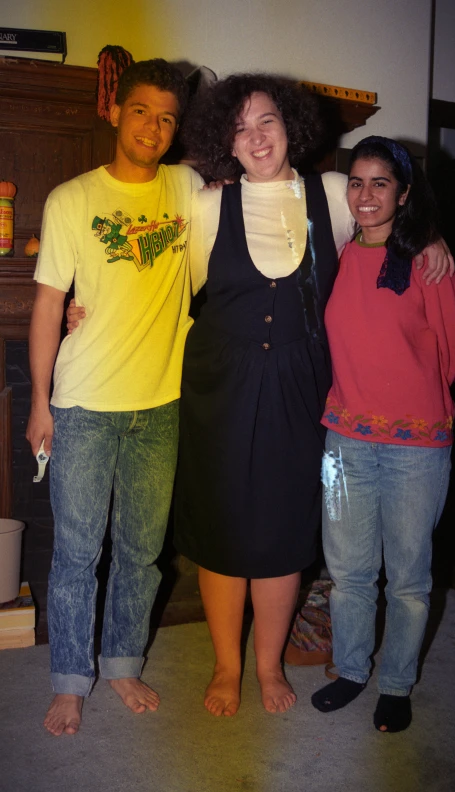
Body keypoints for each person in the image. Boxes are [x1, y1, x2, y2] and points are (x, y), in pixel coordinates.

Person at [171, 75, 454, 718]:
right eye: (240, 127)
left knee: (280, 532)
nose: (255, 136)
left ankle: (268, 667)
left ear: (289, 126)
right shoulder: (209, 204)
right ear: (226, 140)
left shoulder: (330, 193)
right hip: (222, 386)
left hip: (303, 388)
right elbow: (170, 290)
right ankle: (225, 665)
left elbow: (392, 218)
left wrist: (431, 238)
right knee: (222, 533)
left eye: (266, 120)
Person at [25, 58, 203, 737]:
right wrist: (39, 402)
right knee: (76, 551)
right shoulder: (72, 199)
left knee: (141, 552)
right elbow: (47, 308)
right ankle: (71, 680)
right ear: (115, 112)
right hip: (82, 403)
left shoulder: (188, 188)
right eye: (141, 112)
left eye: (166, 117)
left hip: (160, 405)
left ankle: (123, 663)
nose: (153, 127)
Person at [311, 136, 455, 732]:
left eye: (380, 183)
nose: (365, 195)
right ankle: (353, 669)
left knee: (408, 577)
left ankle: (397, 684)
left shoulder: (430, 263)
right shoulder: (333, 255)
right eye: (356, 182)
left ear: (404, 193)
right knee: (350, 570)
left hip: (418, 448)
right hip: (344, 440)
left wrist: (404, 390)